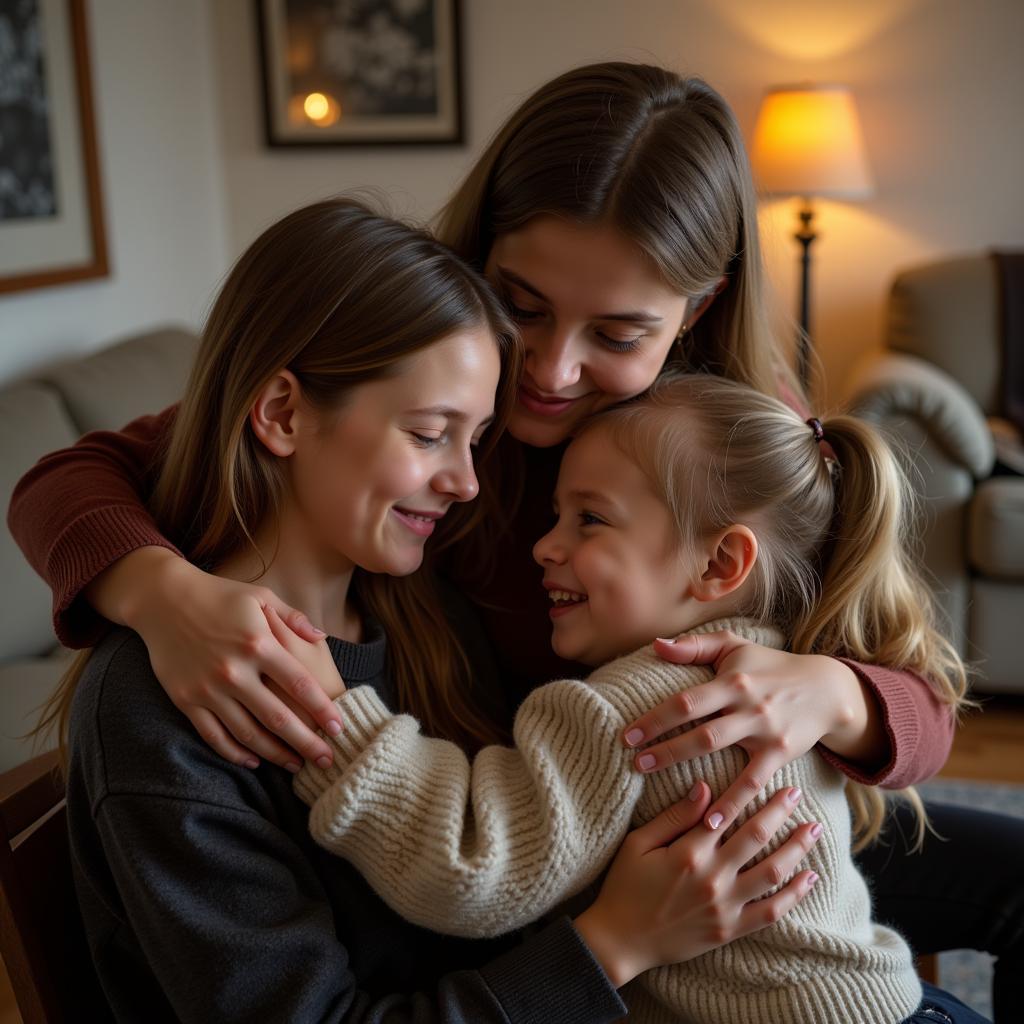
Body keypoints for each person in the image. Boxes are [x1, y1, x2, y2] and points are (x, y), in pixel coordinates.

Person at [9, 63, 1022, 1014]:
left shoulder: (711, 441)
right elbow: (77, 474)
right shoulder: (412, 408)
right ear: (478, 256)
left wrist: (834, 693)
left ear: (694, 312)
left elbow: (920, 705)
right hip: (549, 852)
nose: (549, 369)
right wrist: (161, 592)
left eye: (617, 334)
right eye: (521, 306)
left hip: (694, 819)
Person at [48, 198, 818, 1022]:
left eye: (474, 438)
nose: (467, 483)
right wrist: (616, 945)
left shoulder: (423, 615)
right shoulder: (160, 708)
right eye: (428, 434)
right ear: (281, 413)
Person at [288, 373, 984, 1024]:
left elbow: (473, 865)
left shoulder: (631, 706)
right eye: (556, 515)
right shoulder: (780, 656)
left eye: (589, 521)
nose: (544, 547)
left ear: (718, 563)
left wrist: (337, 723)